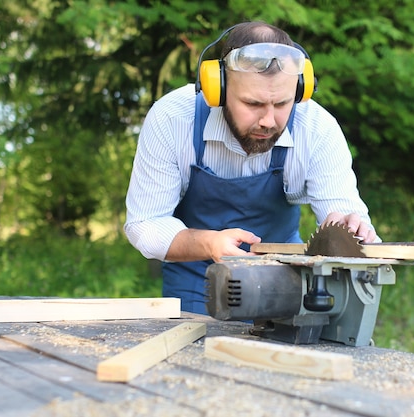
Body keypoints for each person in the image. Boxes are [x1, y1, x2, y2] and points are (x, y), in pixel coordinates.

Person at [124, 21, 381, 314]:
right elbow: (144, 224)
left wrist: (350, 227)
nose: (269, 121)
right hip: (198, 282)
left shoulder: (317, 128)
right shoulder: (173, 119)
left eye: (282, 104)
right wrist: (208, 243)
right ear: (217, 89)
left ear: (299, 90)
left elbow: (347, 215)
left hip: (286, 282)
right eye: (253, 103)